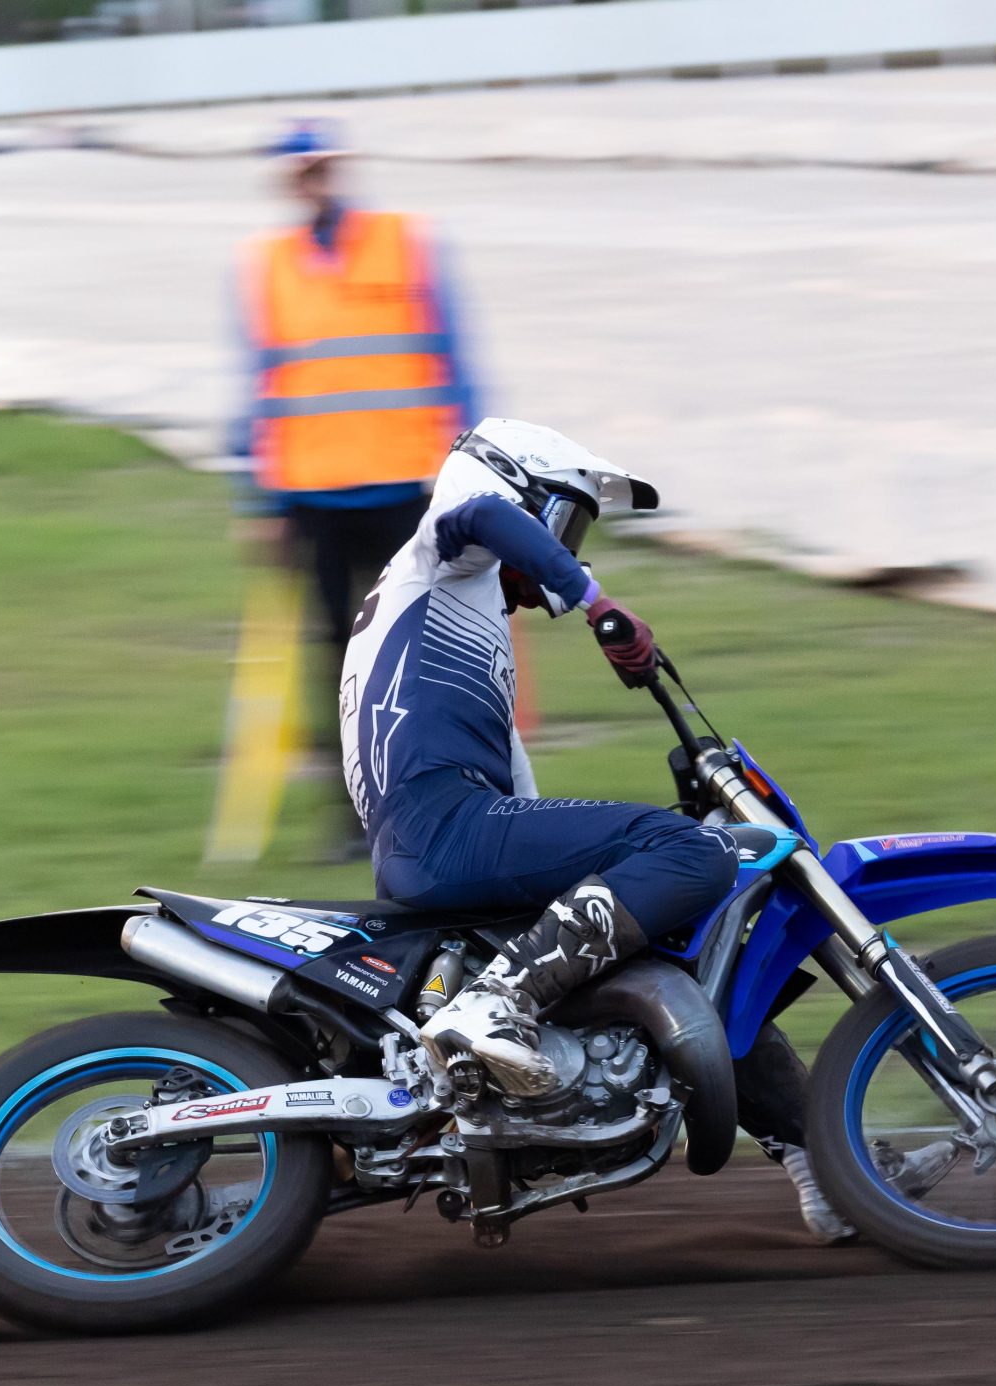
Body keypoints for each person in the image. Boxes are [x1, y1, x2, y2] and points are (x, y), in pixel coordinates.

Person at [339, 419, 949, 1242]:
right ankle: (496, 1005)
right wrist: (595, 603)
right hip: (444, 827)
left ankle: (830, 1172)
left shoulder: (463, 613)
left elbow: (528, 803)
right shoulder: (445, 549)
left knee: (682, 928)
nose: (570, 549)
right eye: (567, 523)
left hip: (450, 833)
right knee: (684, 852)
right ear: (516, 490)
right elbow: (487, 515)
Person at [229, 117, 482, 859]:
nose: (313, 182)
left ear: (339, 171)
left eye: (322, 167)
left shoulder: (408, 243)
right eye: (300, 171)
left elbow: (455, 362)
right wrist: (261, 505)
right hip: (313, 499)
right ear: (286, 181)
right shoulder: (264, 266)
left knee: (425, 659)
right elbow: (260, 389)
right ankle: (356, 819)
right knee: (338, 664)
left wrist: (470, 471)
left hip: (404, 490)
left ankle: (443, 803)